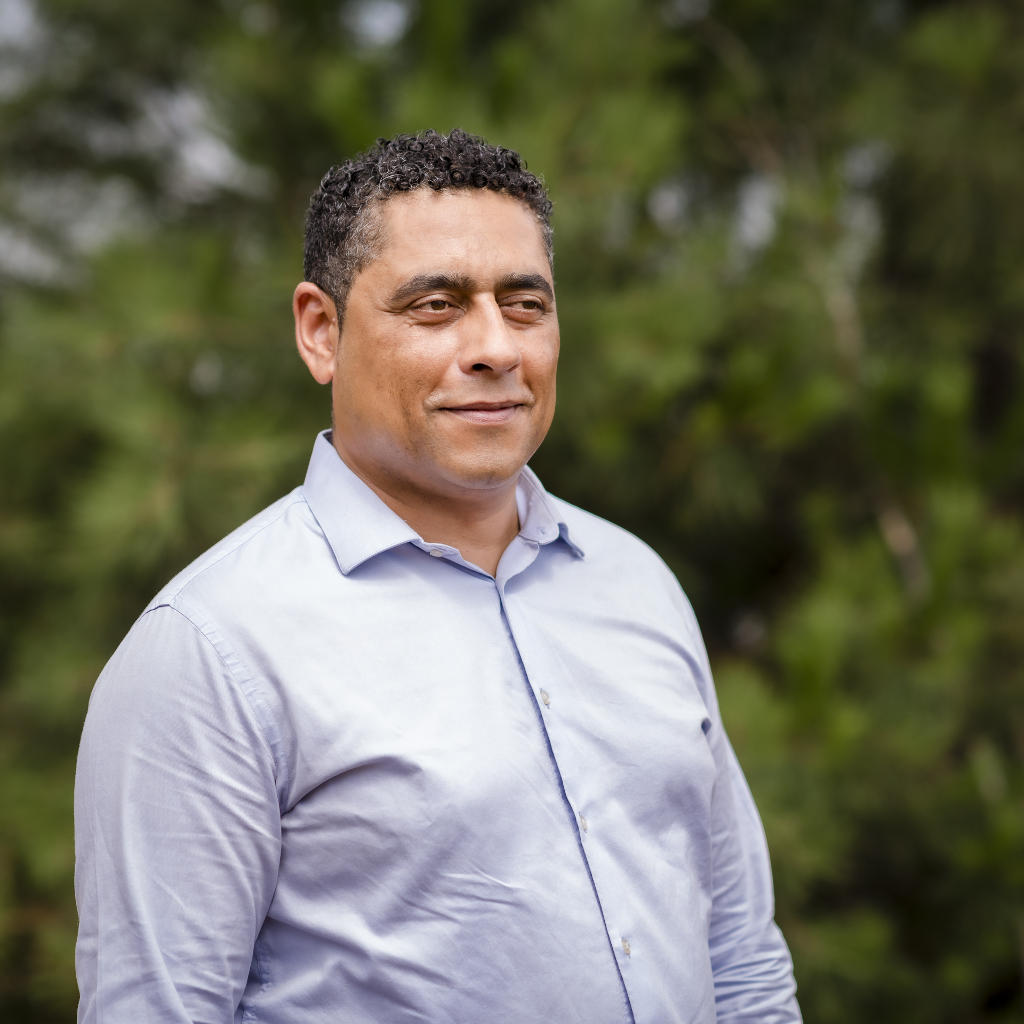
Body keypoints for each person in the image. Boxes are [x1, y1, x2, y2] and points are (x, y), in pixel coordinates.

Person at [74, 128, 801, 1023]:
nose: (496, 346)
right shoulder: (210, 651)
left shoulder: (636, 583)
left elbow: (741, 959)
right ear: (321, 331)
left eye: (525, 304)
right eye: (435, 305)